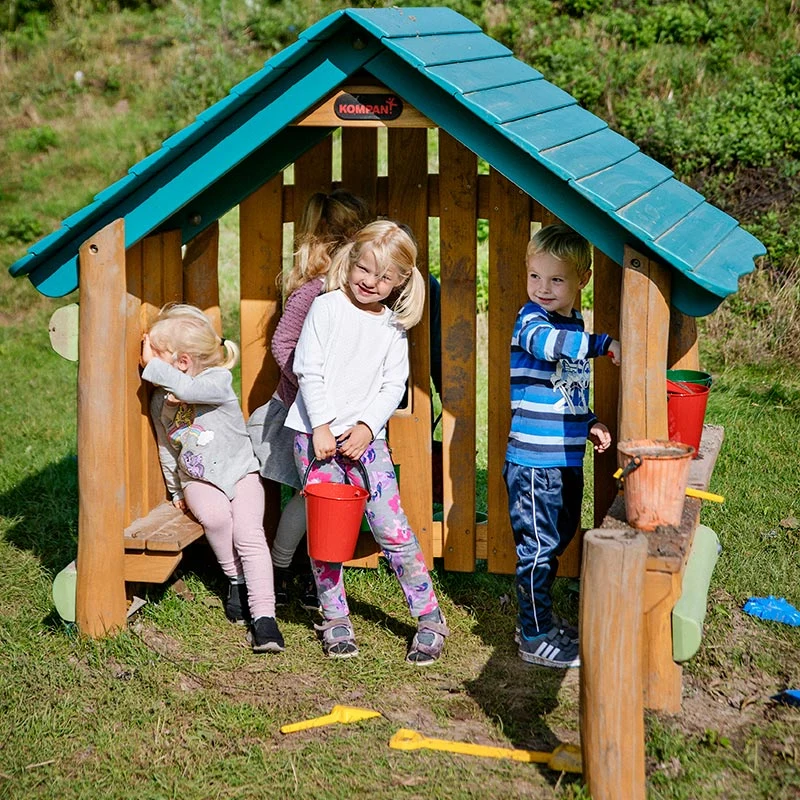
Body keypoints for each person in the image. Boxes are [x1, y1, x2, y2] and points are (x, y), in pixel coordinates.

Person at [285, 219, 449, 665]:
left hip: (366, 441)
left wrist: (365, 427)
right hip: (314, 437)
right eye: (366, 270)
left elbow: (393, 386)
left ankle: (430, 617)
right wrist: (321, 425)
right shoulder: (327, 308)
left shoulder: (393, 327)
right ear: (352, 260)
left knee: (392, 529)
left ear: (400, 282)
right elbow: (308, 368)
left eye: (385, 277)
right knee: (329, 531)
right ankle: (335, 616)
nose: (371, 283)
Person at [504, 224, 621, 668]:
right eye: (535, 276)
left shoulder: (572, 322)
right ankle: (534, 636)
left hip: (564, 456)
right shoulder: (532, 321)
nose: (542, 288)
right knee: (538, 548)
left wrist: (587, 421)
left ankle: (539, 620)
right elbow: (549, 348)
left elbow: (567, 387)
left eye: (556, 280)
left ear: (582, 280)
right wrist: (604, 344)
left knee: (557, 539)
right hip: (534, 464)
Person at [247, 190, 370, 609]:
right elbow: (284, 344)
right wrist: (311, 391)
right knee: (311, 492)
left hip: (335, 414)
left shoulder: (354, 290)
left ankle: (300, 568)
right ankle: (283, 569)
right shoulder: (315, 290)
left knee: (321, 492)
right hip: (306, 413)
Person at [141, 303, 284, 654]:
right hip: (198, 478)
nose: (148, 363)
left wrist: (152, 365)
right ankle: (235, 579)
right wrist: (175, 488)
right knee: (217, 519)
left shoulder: (216, 381)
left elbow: (188, 392)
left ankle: (265, 617)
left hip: (240, 471)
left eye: (156, 356)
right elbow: (166, 446)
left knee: (249, 533)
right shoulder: (162, 399)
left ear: (182, 362)